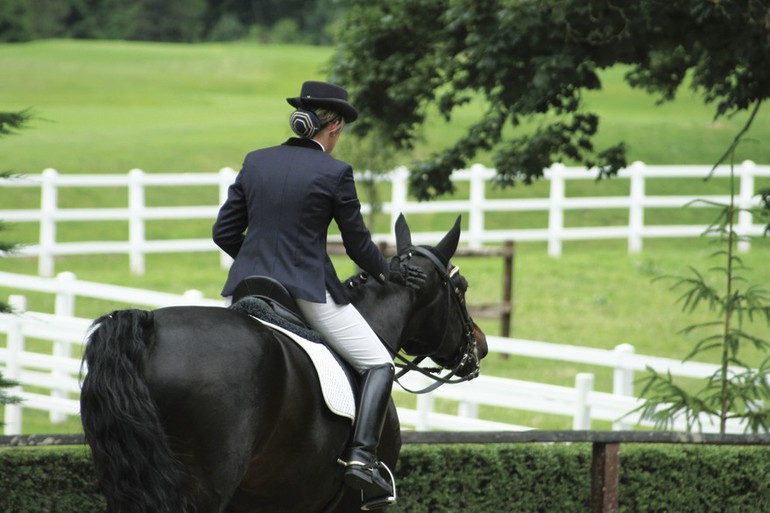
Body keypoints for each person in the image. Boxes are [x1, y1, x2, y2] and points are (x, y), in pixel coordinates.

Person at [212, 80, 426, 505]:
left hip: (247, 289)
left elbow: (223, 232)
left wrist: (258, 261)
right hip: (306, 292)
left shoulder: (256, 162)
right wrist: (388, 273)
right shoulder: (334, 172)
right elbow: (358, 246)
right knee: (379, 363)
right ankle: (363, 460)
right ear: (334, 128)